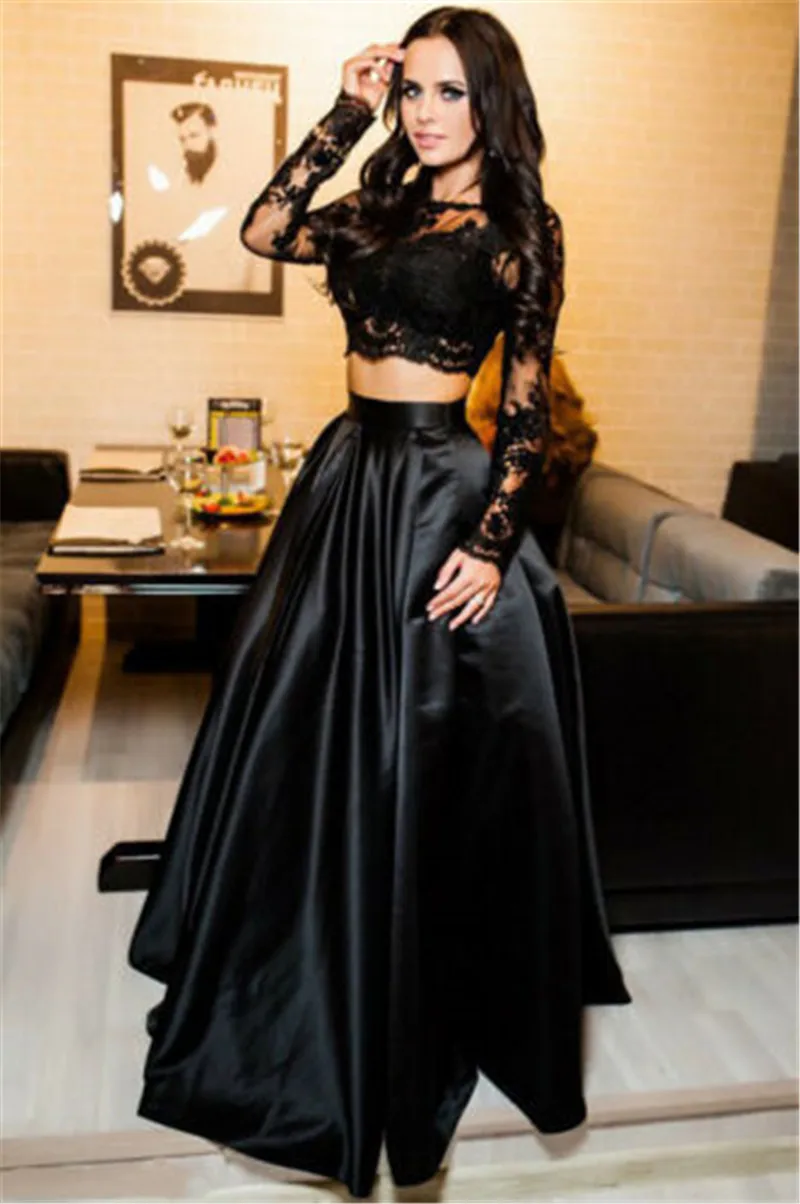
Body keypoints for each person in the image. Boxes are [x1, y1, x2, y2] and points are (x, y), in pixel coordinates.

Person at [127, 6, 632, 1198]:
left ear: (491, 102)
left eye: (448, 91)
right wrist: (345, 112)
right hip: (345, 477)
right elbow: (264, 229)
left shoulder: (521, 228)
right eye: (412, 89)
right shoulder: (381, 201)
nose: (425, 111)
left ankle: (406, 982)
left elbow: (523, 406)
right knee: (296, 722)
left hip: (436, 497)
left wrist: (491, 545)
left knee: (413, 755)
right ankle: (291, 952)